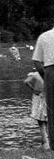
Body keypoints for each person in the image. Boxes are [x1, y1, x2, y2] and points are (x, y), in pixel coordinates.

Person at [32, 21, 54, 150]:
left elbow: (37, 60)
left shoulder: (44, 36)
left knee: (51, 109)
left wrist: (46, 76)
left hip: (50, 71)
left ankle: (53, 143)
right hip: (50, 70)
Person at [25, 69, 49, 149]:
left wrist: (33, 89)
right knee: (47, 122)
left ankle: (45, 143)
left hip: (38, 98)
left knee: (41, 123)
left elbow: (26, 81)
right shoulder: (48, 74)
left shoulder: (35, 75)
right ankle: (47, 143)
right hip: (47, 98)